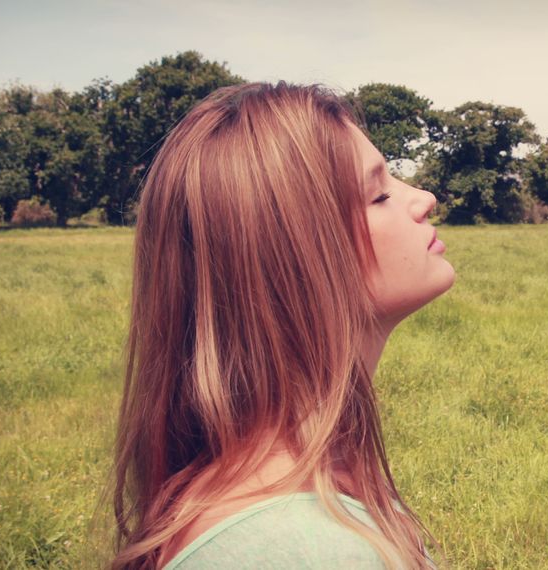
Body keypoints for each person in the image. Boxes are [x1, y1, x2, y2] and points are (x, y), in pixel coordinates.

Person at [111, 82, 455, 569]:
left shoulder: (298, 493)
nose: (423, 198)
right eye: (378, 195)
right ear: (290, 263)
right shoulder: (307, 551)